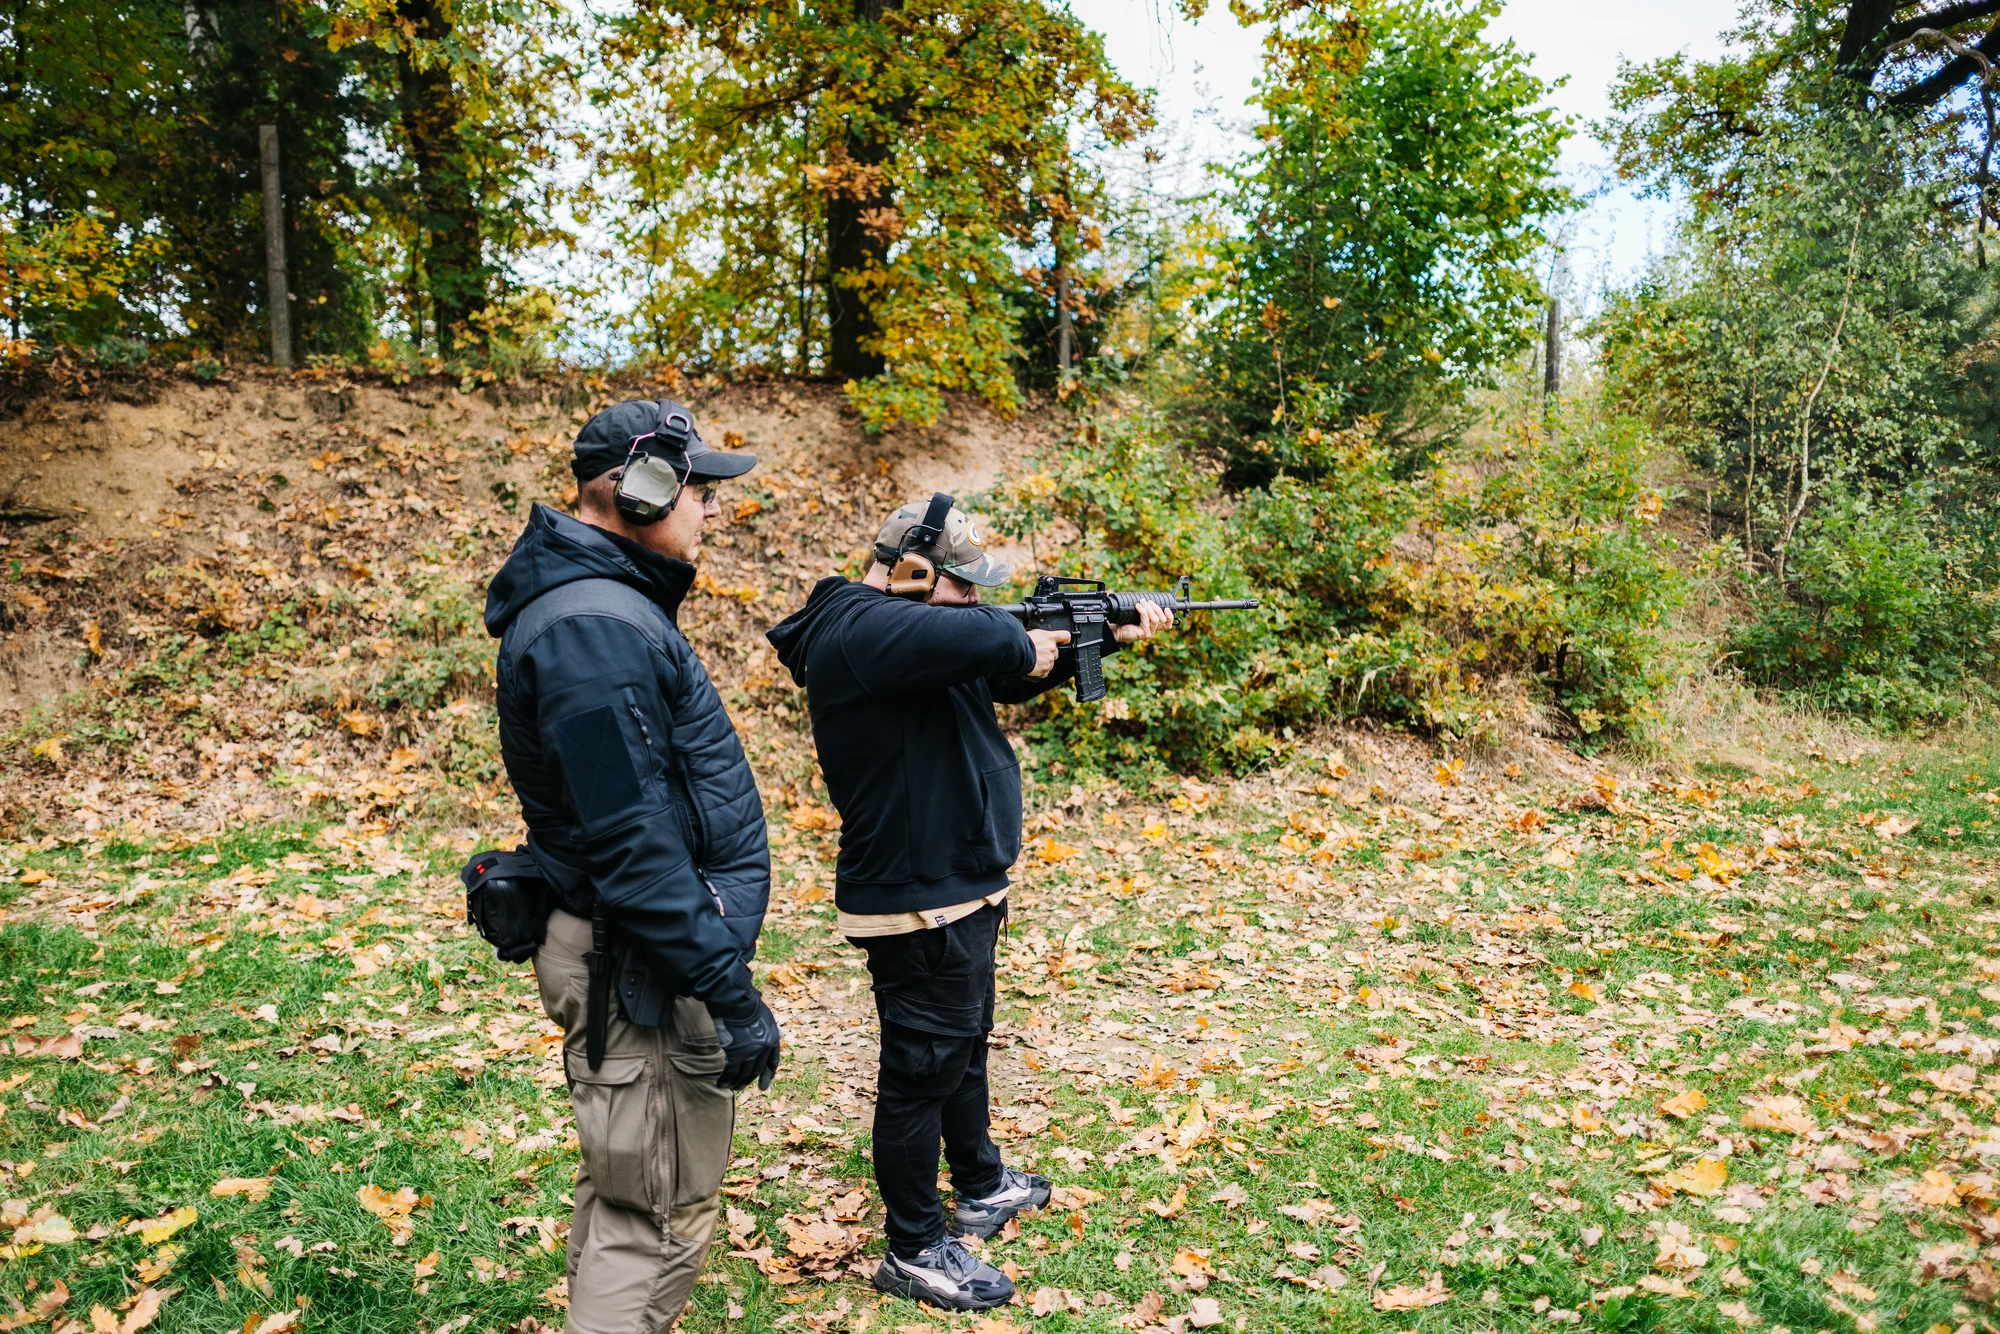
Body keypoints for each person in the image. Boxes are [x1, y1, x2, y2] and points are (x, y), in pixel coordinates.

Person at [765, 495, 1172, 1312]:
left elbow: (1002, 666)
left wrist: (1101, 634)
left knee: (962, 1047)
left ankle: (980, 1183)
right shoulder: (857, 629)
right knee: (920, 1072)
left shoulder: (913, 642)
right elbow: (989, 639)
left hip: (961, 882)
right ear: (912, 572)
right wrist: (1017, 633)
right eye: (963, 586)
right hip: (918, 898)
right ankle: (915, 1247)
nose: (978, 602)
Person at [483, 399, 783, 1334]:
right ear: (639, 487)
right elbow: (632, 842)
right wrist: (727, 992)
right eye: (695, 488)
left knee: (629, 1189)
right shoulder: (595, 632)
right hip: (639, 964)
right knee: (655, 1214)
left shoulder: (600, 610)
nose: (709, 509)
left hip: (639, 952)